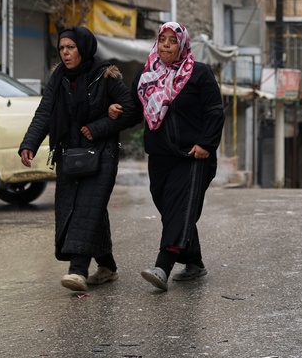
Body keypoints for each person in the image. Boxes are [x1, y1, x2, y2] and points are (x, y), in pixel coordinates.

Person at [19, 26, 136, 291]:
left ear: (83, 48)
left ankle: (78, 270)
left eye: (70, 47)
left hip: (101, 153)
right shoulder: (58, 77)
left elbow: (131, 111)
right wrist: (30, 144)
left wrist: (99, 127)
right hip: (69, 153)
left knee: (86, 207)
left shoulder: (106, 75)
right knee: (78, 208)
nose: (65, 53)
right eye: (62, 48)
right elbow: (45, 113)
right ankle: (107, 266)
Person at [132, 21, 224, 291]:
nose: (167, 45)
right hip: (160, 156)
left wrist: (206, 143)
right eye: (163, 40)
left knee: (179, 209)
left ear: (182, 44)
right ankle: (194, 262)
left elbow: (215, 111)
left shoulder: (199, 73)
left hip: (192, 155)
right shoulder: (147, 74)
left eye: (173, 40)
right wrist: (112, 112)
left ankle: (163, 266)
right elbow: (133, 109)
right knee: (167, 207)